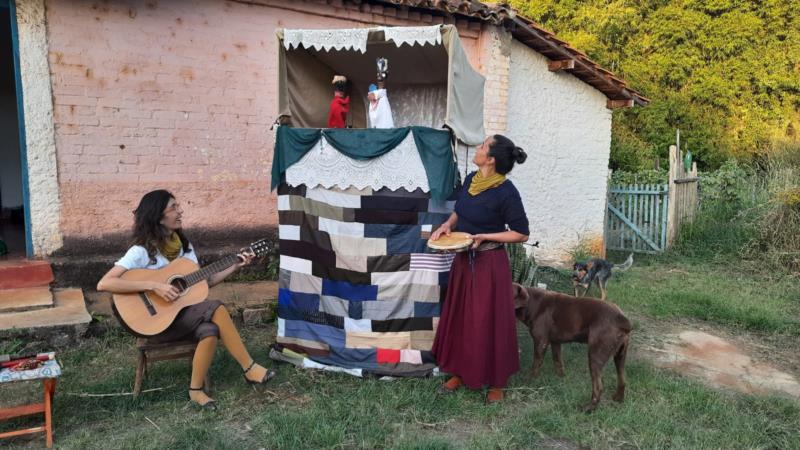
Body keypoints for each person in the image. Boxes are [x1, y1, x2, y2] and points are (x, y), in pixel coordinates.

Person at [97, 190, 275, 410]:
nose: (180, 211)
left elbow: (205, 282)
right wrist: (154, 285)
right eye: (173, 207)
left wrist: (236, 264)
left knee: (209, 329)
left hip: (181, 318)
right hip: (155, 323)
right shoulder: (141, 251)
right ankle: (249, 368)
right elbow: (105, 283)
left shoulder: (184, 247)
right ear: (158, 216)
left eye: (178, 206)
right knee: (215, 307)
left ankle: (196, 391)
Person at [430, 135, 529, 404]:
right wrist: (448, 225)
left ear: (492, 159)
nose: (478, 148)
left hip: (490, 265)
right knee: (463, 317)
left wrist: (486, 236)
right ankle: (461, 372)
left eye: (483, 146)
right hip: (464, 261)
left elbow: (521, 233)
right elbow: (460, 211)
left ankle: (496, 380)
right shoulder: (471, 179)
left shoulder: (506, 192)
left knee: (487, 320)